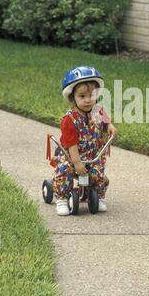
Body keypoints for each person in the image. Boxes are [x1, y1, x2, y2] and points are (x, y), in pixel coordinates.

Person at [53, 66, 117, 216]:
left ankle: (98, 196)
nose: (88, 100)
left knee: (98, 173)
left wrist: (109, 126)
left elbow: (105, 121)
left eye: (91, 95)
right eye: (82, 96)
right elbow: (71, 144)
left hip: (92, 154)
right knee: (64, 170)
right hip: (71, 155)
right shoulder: (70, 119)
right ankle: (62, 198)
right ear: (72, 97)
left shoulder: (96, 111)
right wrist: (76, 163)